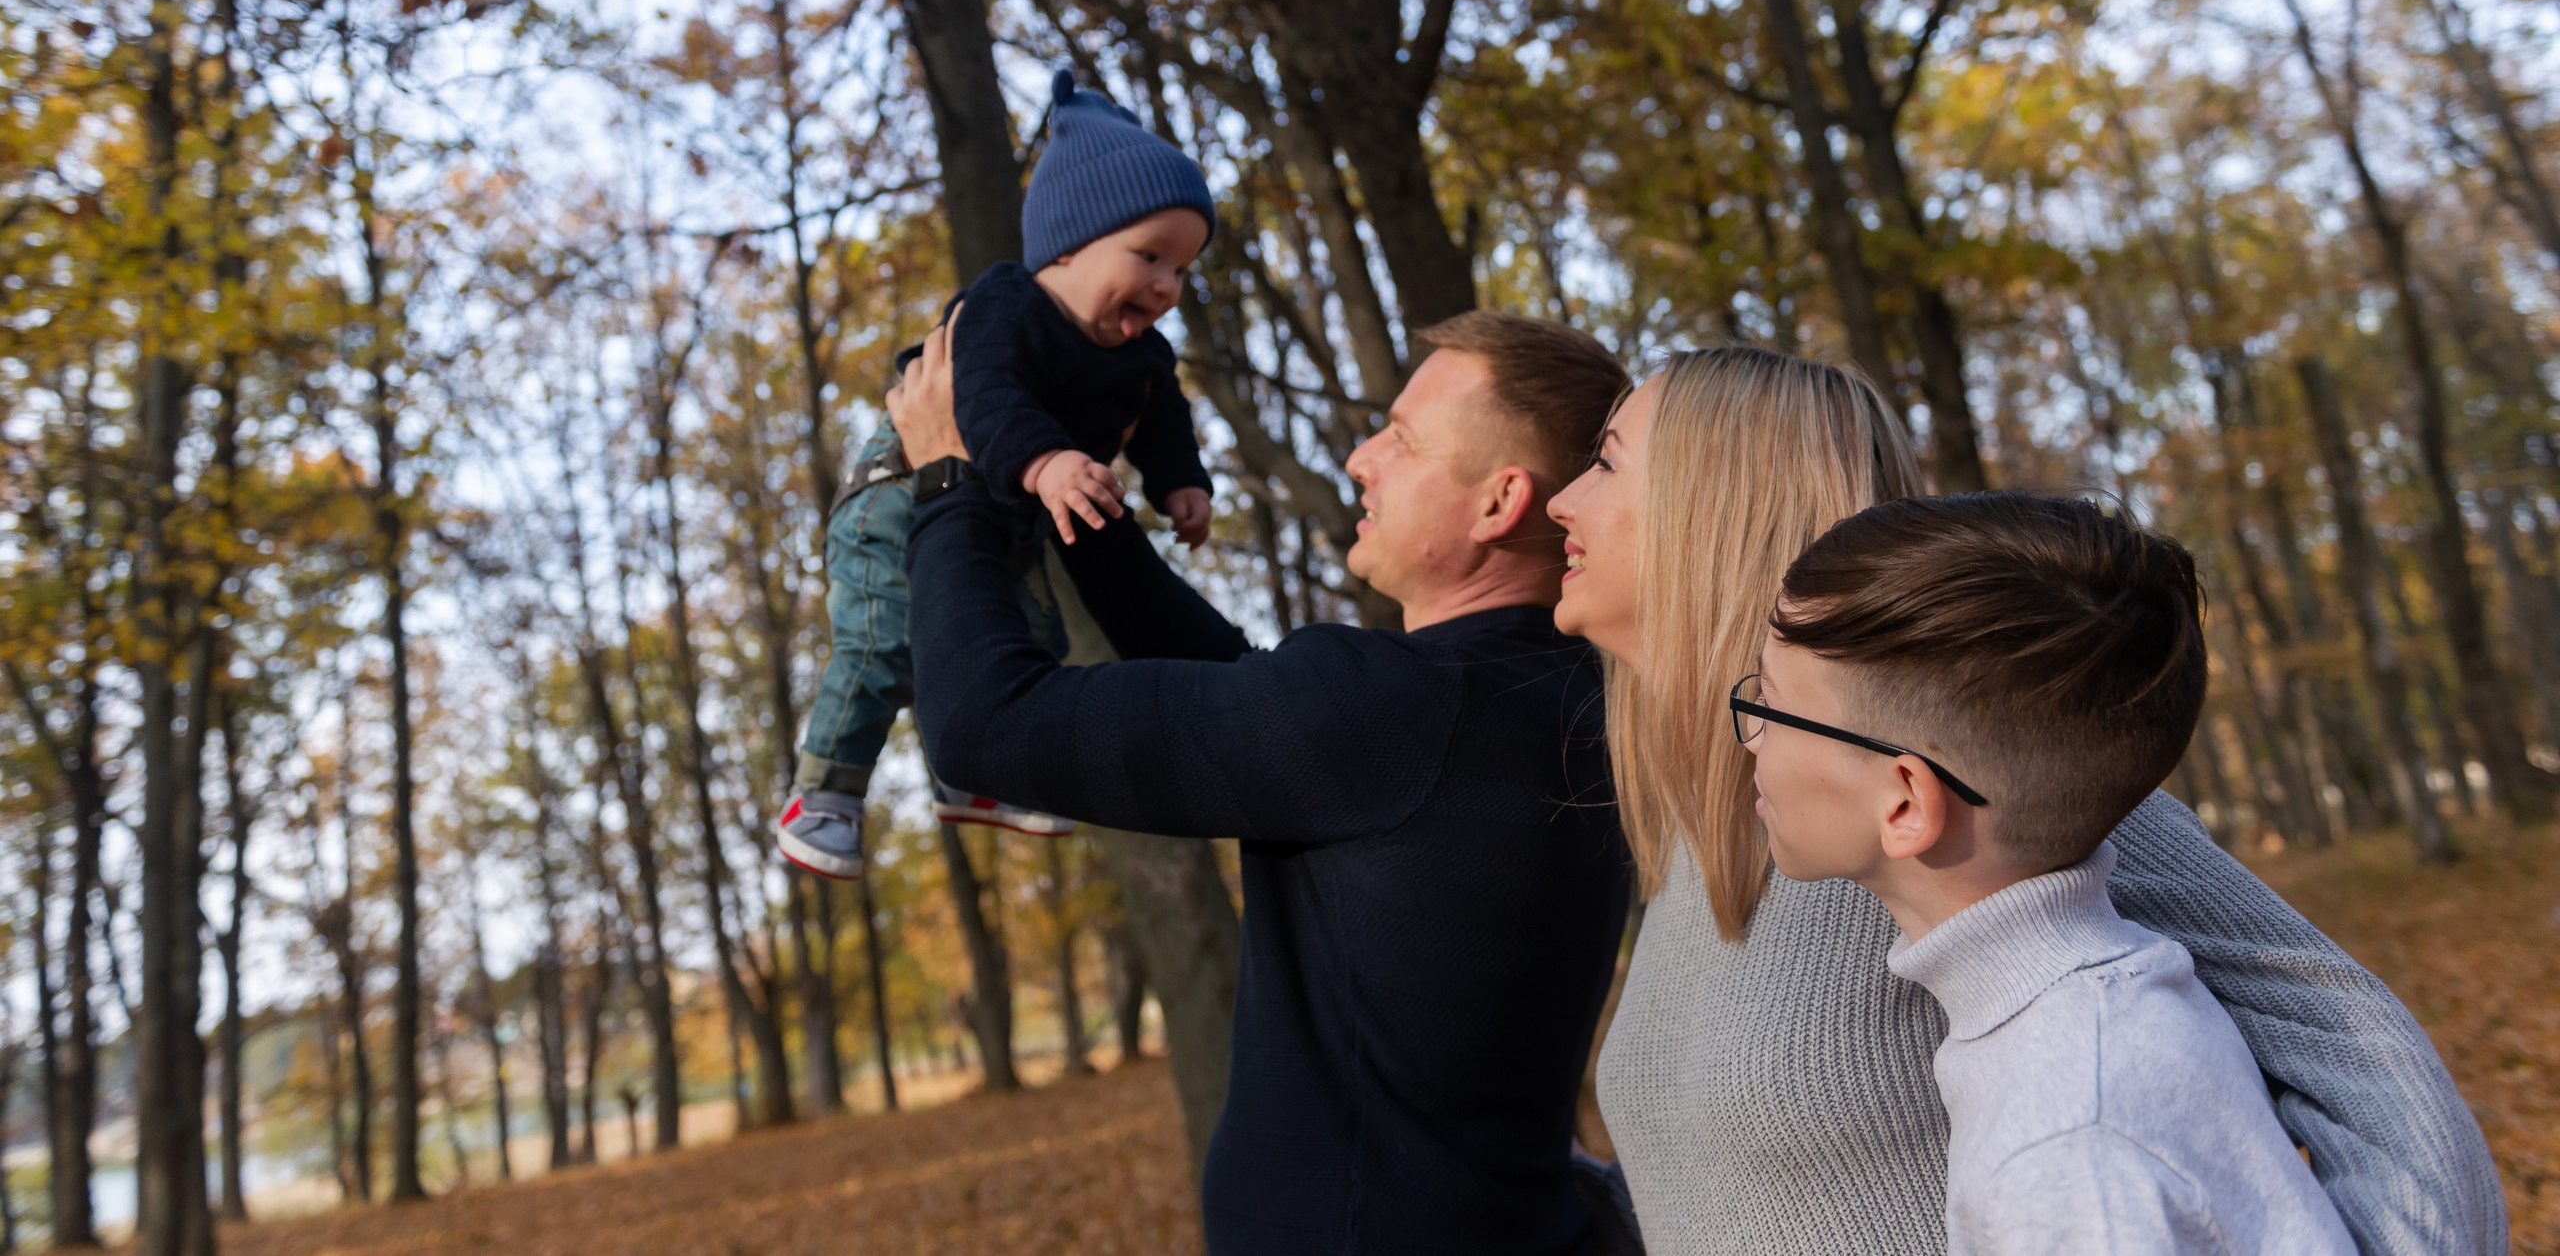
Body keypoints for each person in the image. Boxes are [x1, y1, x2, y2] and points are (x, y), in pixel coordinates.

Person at [1544, 345, 2505, 1256]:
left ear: (1713, 510)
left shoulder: (1960, 786)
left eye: (1607, 462)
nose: (1562, 499)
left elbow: (2367, 1065)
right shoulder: (1731, 818)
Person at [888, 308, 1635, 1256]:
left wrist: (949, 483)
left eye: (1402, 439)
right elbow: (1251, 699)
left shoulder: (1390, 711)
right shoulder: (1572, 703)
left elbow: (982, 724)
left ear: (1500, 502)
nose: (1362, 457)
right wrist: (1072, 495)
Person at [1748, 492, 2355, 1254]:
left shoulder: (2068, 1143)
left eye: (1770, 705)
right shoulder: (2099, 1012)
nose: (1752, 739)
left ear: (1904, 802)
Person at [776, 70, 1219, 878]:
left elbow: (1162, 417)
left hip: (1002, 520)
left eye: (1183, 269)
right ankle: (825, 794)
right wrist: (1047, 461)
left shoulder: (1145, 355)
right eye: (1150, 255)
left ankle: (976, 775)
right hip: (898, 499)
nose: (1167, 285)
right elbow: (987, 394)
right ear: (1069, 244)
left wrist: (1181, 483)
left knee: (1031, 642)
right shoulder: (1007, 306)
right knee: (882, 643)